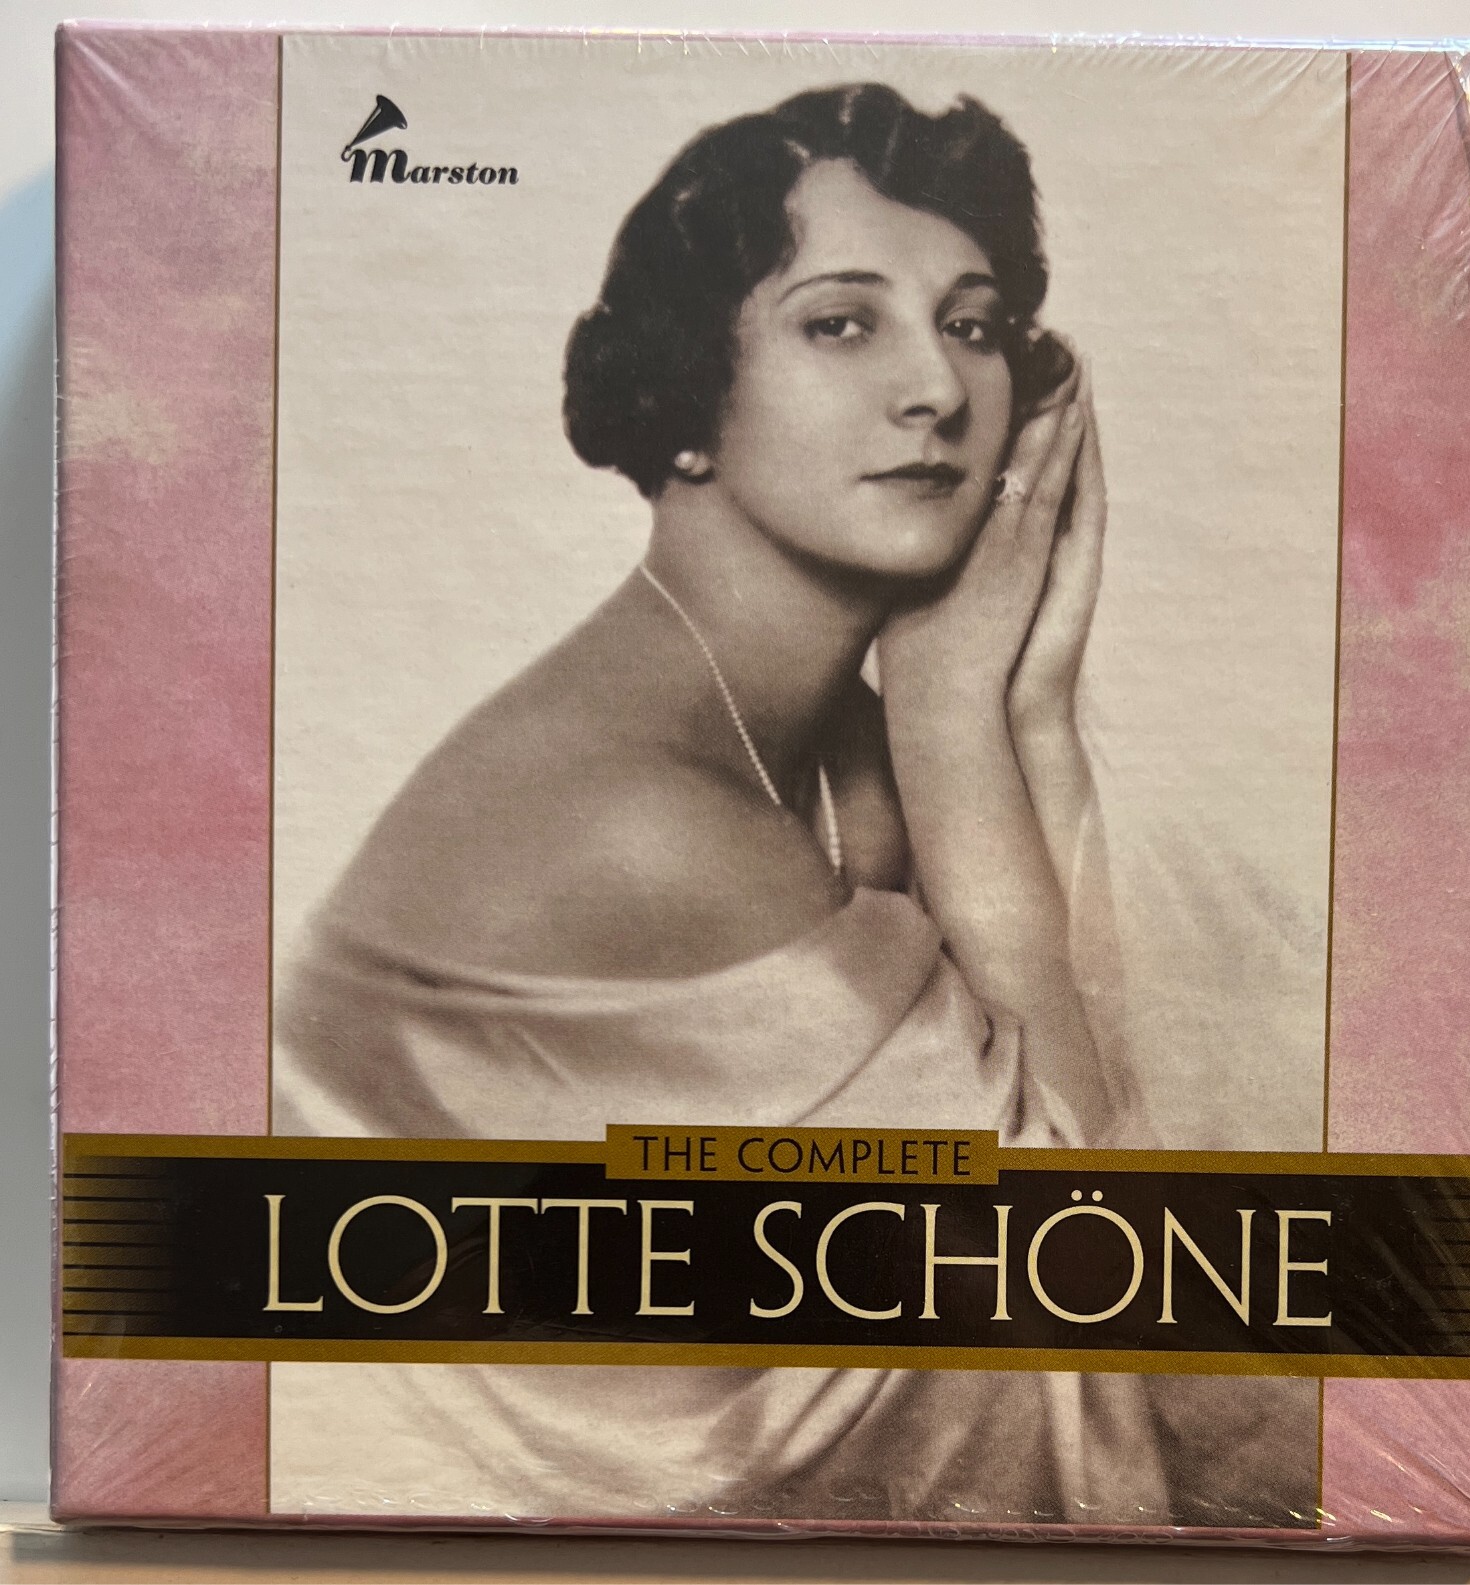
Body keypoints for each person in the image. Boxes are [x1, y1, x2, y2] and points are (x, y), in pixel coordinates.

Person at [270, 82, 1171, 1526]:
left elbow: (1121, 1146)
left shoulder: (833, 754)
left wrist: (1034, 710)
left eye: (973, 323)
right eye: (842, 323)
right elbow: (1084, 1280)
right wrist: (960, 716)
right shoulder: (644, 816)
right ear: (689, 397)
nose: (939, 391)